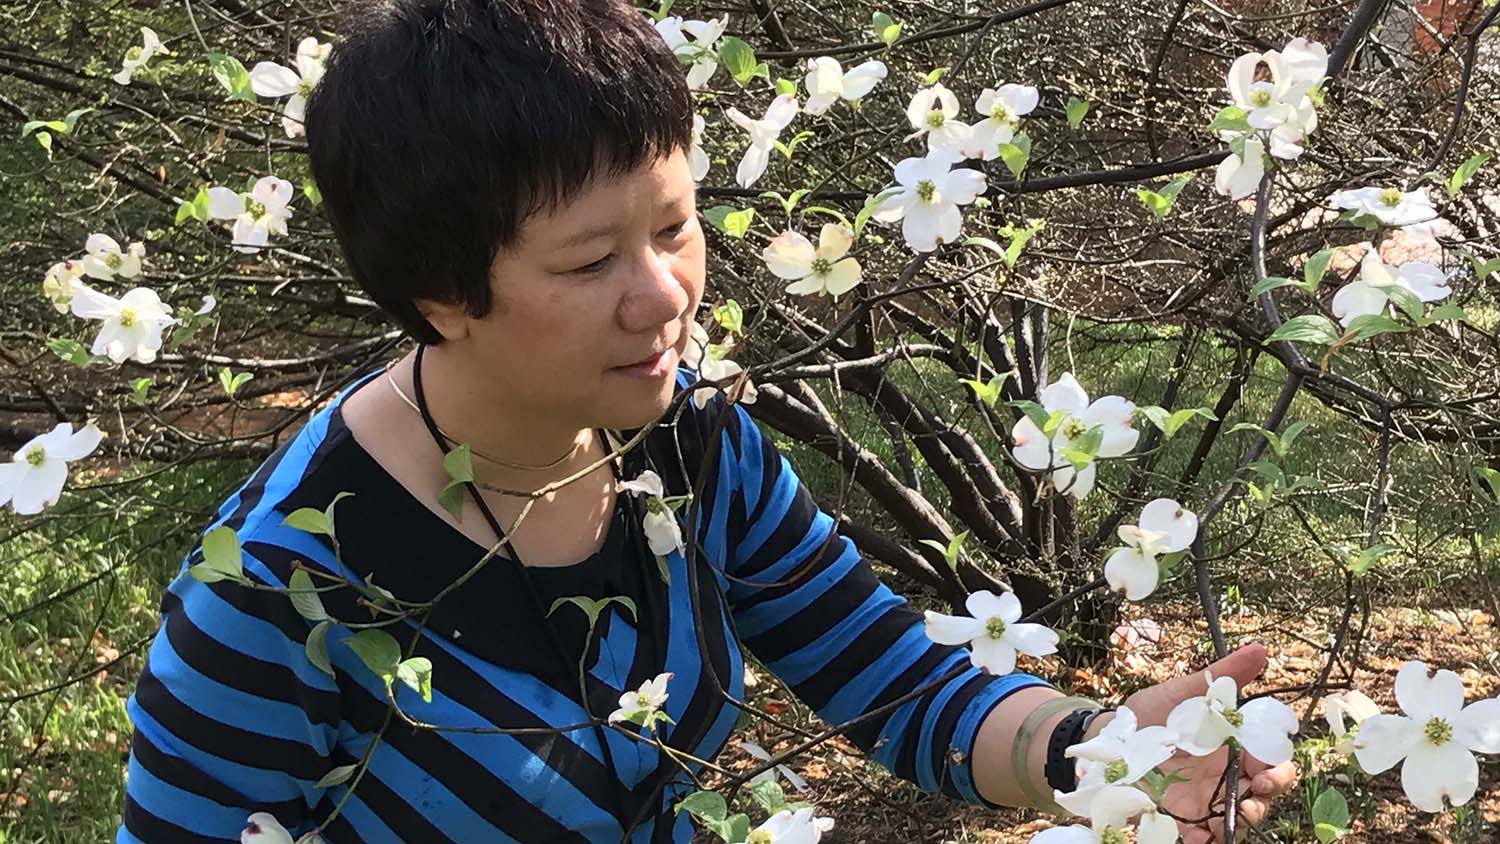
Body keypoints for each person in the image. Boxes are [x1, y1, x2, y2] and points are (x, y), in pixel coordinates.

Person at [114, 1, 1296, 842]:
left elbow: (889, 676)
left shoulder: (689, 443)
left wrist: (1099, 754)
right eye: (588, 261)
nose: (668, 292)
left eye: (675, 227)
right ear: (439, 297)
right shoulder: (280, 592)